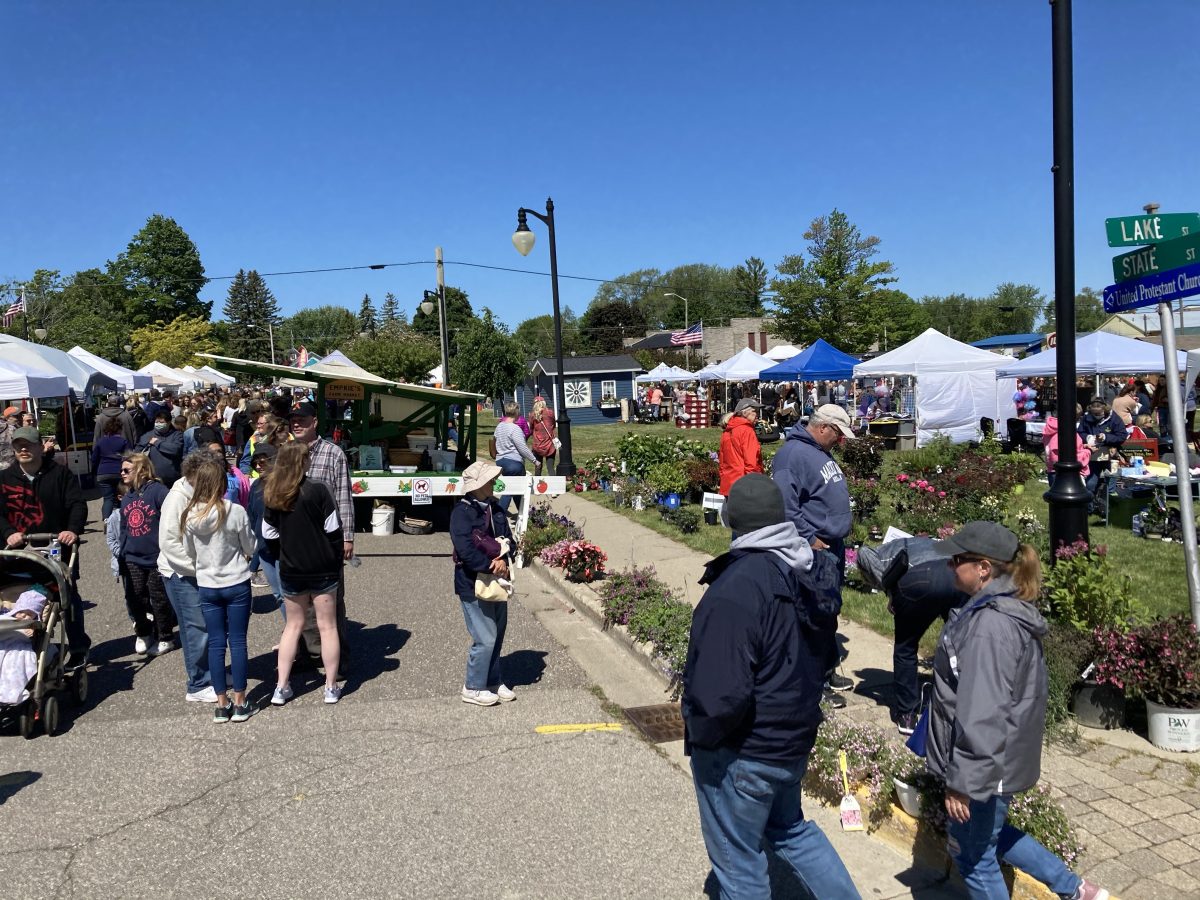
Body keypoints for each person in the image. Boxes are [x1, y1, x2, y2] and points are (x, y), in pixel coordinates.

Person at [682, 474, 859, 899]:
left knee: (739, 862)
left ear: (733, 522)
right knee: (790, 830)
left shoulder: (739, 586)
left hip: (745, 749)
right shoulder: (805, 567)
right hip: (792, 737)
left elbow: (719, 693)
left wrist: (702, 739)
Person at [927, 522, 1110, 900]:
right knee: (988, 835)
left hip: (986, 763)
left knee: (973, 857)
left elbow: (983, 712)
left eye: (957, 560)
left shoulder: (989, 627)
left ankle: (1075, 889)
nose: (950, 566)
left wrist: (963, 782)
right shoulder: (995, 611)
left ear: (983, 568)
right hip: (999, 759)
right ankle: (1075, 889)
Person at [771, 404, 857, 704]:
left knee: (828, 610)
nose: (841, 441)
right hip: (815, 549)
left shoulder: (816, 451)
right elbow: (786, 504)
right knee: (813, 614)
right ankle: (814, 684)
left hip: (831, 546)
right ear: (823, 428)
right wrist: (809, 538)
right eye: (838, 434)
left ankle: (826, 667)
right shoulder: (791, 455)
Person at [856, 537, 970, 735]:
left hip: (921, 579)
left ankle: (907, 714)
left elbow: (862, 554)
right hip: (956, 578)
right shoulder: (920, 543)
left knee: (906, 647)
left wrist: (890, 590)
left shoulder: (881, 553)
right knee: (959, 646)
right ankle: (964, 704)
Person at [0, 427, 90, 667]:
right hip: (17, 556)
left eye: (28, 444)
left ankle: (79, 647)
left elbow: (77, 504)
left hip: (55, 550)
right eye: (18, 445)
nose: (23, 449)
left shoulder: (60, 474)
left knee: (67, 600)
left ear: (41, 446)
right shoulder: (5, 479)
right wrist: (9, 533)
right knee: (14, 601)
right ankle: (19, 650)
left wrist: (72, 529)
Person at [262, 441, 343, 706]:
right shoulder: (318, 490)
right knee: (328, 626)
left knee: (292, 626)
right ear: (303, 462)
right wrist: (333, 556)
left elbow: (268, 534)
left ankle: (281, 686)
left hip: (291, 569)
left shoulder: (274, 493)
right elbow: (333, 530)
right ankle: (330, 686)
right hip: (322, 569)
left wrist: (283, 551)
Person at [181, 454, 256, 723]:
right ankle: (240, 700)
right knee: (237, 641)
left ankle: (221, 704)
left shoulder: (189, 515)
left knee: (215, 643)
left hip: (208, 584)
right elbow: (250, 546)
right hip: (235, 581)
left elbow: (189, 552)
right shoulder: (234, 511)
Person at [288, 402, 354, 666]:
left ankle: (338, 660)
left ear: (314, 421)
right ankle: (306, 653)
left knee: (331, 602)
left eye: (302, 419)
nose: (296, 424)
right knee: (299, 604)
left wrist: (347, 537)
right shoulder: (286, 452)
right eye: (293, 419)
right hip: (295, 541)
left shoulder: (333, 453)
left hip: (327, 540)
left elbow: (344, 497)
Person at [158, 448, 225, 704]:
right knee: (195, 628)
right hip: (181, 574)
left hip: (201, 571)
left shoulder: (199, 493)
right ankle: (198, 683)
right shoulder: (177, 497)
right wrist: (197, 569)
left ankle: (214, 674)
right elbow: (168, 543)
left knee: (210, 626)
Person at [449, 460, 515, 707]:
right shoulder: (462, 513)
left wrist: (504, 560)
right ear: (477, 485)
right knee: (485, 637)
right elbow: (464, 549)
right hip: (472, 583)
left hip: (498, 581)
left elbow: (509, 539)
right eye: (489, 479)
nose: (493, 482)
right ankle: (473, 686)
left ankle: (493, 680)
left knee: (497, 633)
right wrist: (490, 563)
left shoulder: (496, 509)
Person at [119, 452, 177, 655]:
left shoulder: (159, 491)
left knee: (159, 598)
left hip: (156, 557)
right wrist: (122, 552)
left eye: (127, 470)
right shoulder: (127, 497)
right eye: (121, 470)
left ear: (142, 471)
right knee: (135, 598)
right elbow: (124, 528)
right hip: (132, 558)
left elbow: (172, 520)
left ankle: (165, 636)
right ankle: (143, 633)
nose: (122, 473)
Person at [247, 444, 284, 613]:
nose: (258, 466)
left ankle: (298, 635)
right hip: (262, 549)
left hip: (282, 549)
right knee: (278, 595)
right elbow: (251, 516)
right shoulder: (255, 486)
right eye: (256, 463)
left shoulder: (285, 485)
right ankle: (293, 633)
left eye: (263, 462)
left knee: (288, 595)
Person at [492, 401, 538, 514]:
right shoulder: (515, 428)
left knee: (517, 489)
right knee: (509, 491)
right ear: (516, 412)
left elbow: (494, 441)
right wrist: (535, 460)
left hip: (501, 461)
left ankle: (524, 514)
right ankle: (498, 515)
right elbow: (522, 447)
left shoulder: (499, 427)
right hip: (513, 463)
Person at [718, 398, 764, 496]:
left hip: (728, 485)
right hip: (744, 487)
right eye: (754, 411)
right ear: (745, 412)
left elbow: (722, 463)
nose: (757, 415)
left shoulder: (726, 431)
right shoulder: (747, 431)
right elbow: (751, 463)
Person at [1043, 415, 1095, 495]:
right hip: (1068, 475)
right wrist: (1089, 451)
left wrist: (1083, 446)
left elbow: (1065, 448)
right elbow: (1072, 458)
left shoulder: (1052, 429)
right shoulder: (1065, 433)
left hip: (1053, 471)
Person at [91, 414, 130, 521]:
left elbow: (94, 459)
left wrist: (94, 472)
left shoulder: (100, 442)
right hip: (119, 472)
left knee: (108, 498)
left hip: (103, 473)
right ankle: (123, 519)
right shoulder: (123, 441)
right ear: (119, 429)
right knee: (122, 496)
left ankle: (106, 520)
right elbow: (129, 456)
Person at [137, 409, 185, 487]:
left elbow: (175, 449)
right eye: (157, 422)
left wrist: (157, 443)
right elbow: (138, 451)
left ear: (169, 422)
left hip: (172, 479)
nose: (158, 424)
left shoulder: (177, 435)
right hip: (153, 478)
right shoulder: (148, 435)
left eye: (162, 422)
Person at [529, 397, 557, 477]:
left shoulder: (532, 415)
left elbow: (531, 429)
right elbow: (553, 425)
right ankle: (554, 486)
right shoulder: (550, 413)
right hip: (550, 444)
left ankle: (537, 486)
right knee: (550, 467)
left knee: (538, 466)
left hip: (537, 444)